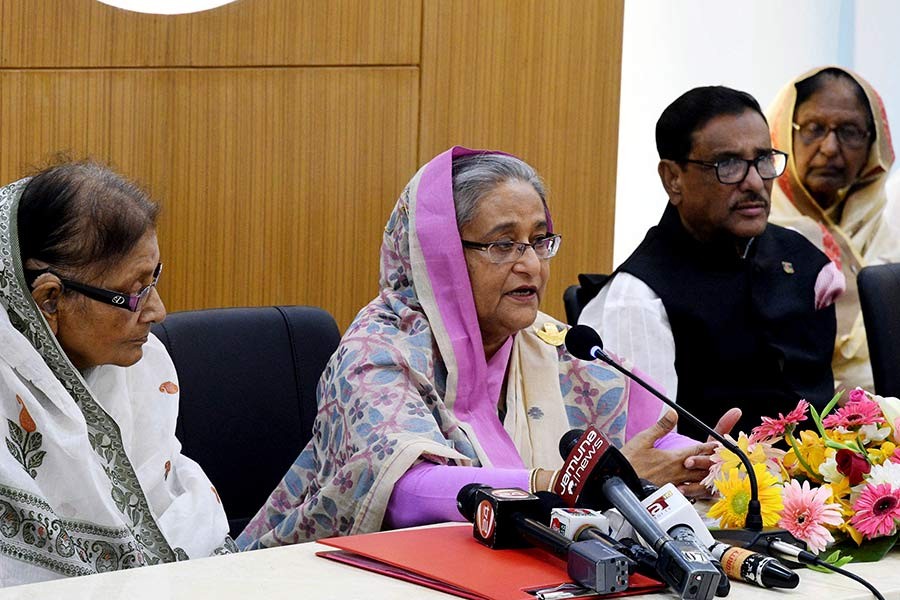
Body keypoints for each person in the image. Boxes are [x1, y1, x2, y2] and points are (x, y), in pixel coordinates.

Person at [237, 147, 740, 550]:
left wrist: (701, 460)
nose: (533, 267)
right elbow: (405, 491)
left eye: (540, 241)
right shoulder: (377, 351)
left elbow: (647, 436)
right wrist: (567, 484)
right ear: (443, 257)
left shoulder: (558, 346)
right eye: (503, 244)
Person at [0, 162, 234, 587]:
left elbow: (170, 500)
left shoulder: (141, 368)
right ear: (50, 301)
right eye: (135, 291)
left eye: (154, 278)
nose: (158, 311)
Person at [579, 86, 844, 441]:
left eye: (763, 160)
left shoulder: (797, 257)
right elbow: (647, 458)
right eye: (728, 165)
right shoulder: (637, 299)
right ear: (673, 178)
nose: (754, 182)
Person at [768, 66, 898, 392]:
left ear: (873, 143)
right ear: (784, 133)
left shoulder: (890, 234)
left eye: (850, 132)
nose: (829, 148)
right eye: (813, 128)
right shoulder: (752, 232)